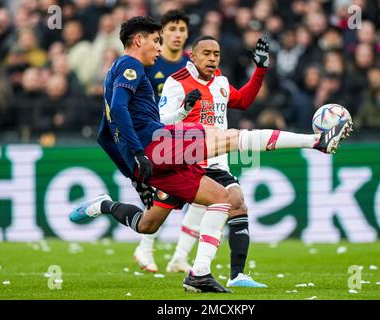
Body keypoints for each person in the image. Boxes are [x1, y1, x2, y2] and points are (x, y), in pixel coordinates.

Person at [69, 16, 352, 293]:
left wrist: (133, 173)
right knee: (231, 139)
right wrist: (140, 153)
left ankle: (192, 269)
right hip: (159, 144)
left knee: (196, 207)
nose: (160, 47)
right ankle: (316, 141)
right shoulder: (132, 65)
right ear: (138, 40)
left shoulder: (114, 72)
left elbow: (103, 135)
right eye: (157, 41)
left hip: (151, 158)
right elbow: (119, 109)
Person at [152, 34, 270, 288]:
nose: (212, 58)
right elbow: (160, 124)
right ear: (192, 56)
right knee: (148, 223)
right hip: (184, 162)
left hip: (215, 163)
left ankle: (235, 275)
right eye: (206, 53)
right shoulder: (176, 83)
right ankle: (104, 206)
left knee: (236, 202)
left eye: (216, 54)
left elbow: (244, 101)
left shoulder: (222, 83)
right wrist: (183, 110)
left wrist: (260, 70)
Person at [133, 10, 191, 273]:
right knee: (164, 193)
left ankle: (178, 256)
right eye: (172, 29)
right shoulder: (150, 63)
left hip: (189, 136)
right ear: (162, 34)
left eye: (182, 29)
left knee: (200, 195)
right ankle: (147, 247)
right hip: (157, 137)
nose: (177, 34)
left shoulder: (192, 63)